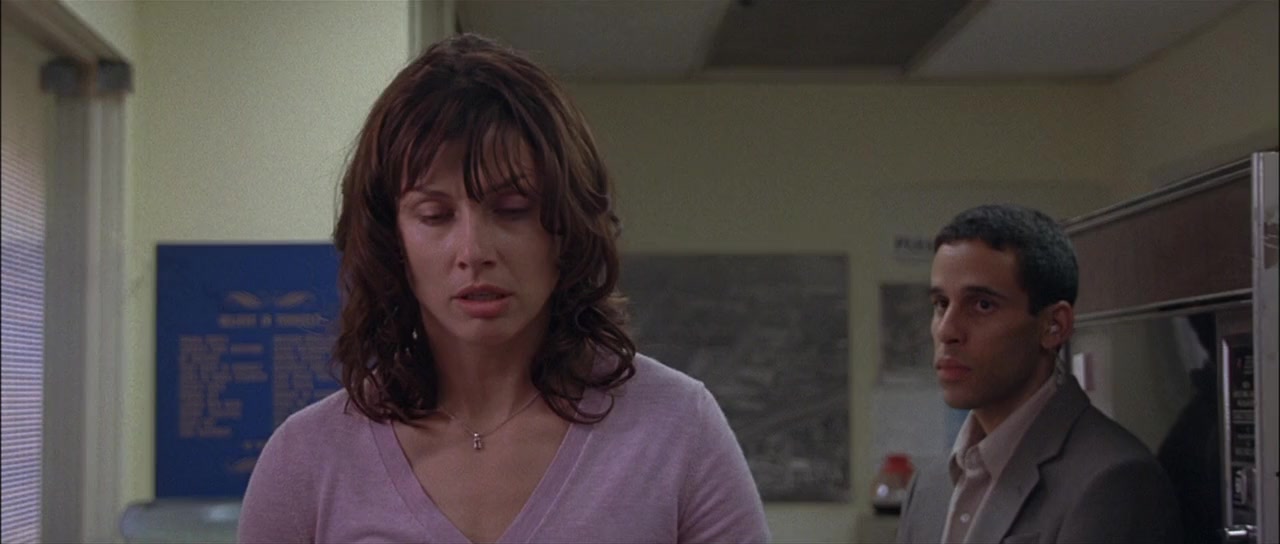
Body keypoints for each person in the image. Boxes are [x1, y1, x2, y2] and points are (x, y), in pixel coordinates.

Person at [238, 33, 769, 543]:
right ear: (391, 238)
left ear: (566, 225)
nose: (473, 250)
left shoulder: (678, 429)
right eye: (435, 215)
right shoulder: (307, 460)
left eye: (512, 209)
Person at [896, 204, 1180, 544]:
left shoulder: (1113, 481)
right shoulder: (927, 487)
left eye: (982, 305)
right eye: (941, 304)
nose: (947, 330)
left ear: (1053, 326)